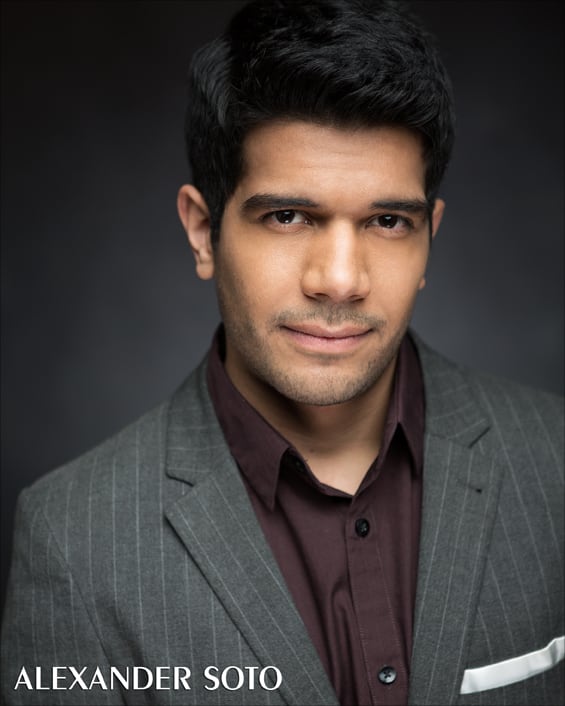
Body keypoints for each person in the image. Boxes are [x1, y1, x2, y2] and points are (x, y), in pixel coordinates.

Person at [1, 0, 563, 704]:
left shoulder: (555, 462)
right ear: (203, 232)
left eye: (388, 221)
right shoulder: (73, 538)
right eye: (288, 216)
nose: (340, 279)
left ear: (430, 237)